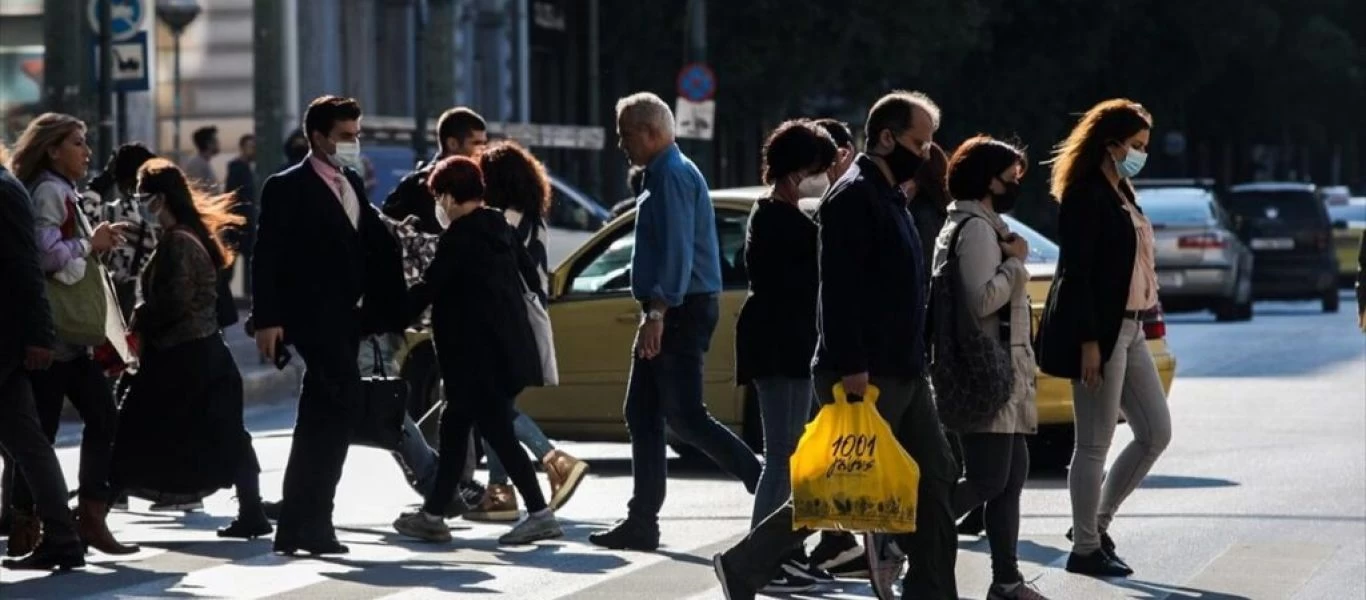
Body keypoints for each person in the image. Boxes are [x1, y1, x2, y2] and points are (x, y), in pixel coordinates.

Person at [712, 91, 959, 600]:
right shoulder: (853, 197)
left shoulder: (891, 197)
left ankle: (933, 588)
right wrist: (852, 365)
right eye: (919, 141)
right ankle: (745, 564)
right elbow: (838, 289)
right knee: (838, 489)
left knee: (936, 475)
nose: (926, 150)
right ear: (887, 137)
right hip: (865, 371)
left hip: (904, 368)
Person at [589, 92, 761, 552]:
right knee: (642, 413)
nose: (622, 144)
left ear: (650, 131)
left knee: (685, 416)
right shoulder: (663, 173)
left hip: (679, 311)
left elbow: (678, 251)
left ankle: (765, 487)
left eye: (626, 134)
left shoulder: (672, 176)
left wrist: (658, 312)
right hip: (671, 309)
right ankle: (642, 521)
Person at [251, 95, 406, 556]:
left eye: (356, 135)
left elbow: (371, 242)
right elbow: (268, 255)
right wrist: (268, 320)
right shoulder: (286, 187)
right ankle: (313, 522)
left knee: (321, 418)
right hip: (314, 320)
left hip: (350, 318)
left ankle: (301, 525)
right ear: (317, 137)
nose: (353, 144)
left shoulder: (351, 182)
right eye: (345, 136)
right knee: (336, 411)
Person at [391, 156, 562, 546]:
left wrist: (382, 317)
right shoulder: (498, 227)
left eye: (439, 196)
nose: (439, 205)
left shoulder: (461, 237)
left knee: (497, 433)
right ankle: (433, 515)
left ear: (449, 197)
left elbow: (428, 289)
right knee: (454, 430)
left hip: (477, 359)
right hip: (501, 354)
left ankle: (539, 513)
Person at [1034, 99, 1171, 578]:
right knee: (1094, 443)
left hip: (1131, 328)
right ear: (1108, 144)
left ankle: (1094, 525)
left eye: (1144, 147)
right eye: (1134, 145)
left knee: (1155, 432)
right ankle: (1086, 549)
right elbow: (1079, 274)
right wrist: (1090, 343)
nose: (1139, 154)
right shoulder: (1085, 194)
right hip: (1102, 333)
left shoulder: (1122, 190)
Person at [109, 158, 271, 540]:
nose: (139, 205)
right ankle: (252, 510)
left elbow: (175, 301)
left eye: (143, 197)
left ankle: (96, 507)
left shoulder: (179, 241)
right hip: (201, 352)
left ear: (160, 198)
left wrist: (141, 315)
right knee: (225, 433)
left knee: (134, 426)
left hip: (183, 355)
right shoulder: (184, 235)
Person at [7, 112, 139, 558]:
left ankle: (86, 517)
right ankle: (35, 526)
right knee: (36, 435)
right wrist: (91, 244)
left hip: (70, 337)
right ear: (52, 149)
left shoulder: (63, 191)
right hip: (55, 335)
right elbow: (44, 256)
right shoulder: (47, 191)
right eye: (78, 143)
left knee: (91, 421)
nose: (87, 153)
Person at [932, 136, 1049, 600]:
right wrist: (1017, 266)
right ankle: (908, 537)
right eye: (1011, 178)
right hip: (985, 370)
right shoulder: (976, 230)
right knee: (988, 478)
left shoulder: (984, 224)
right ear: (988, 180)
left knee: (1010, 478)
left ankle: (1006, 580)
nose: (1015, 185)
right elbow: (980, 299)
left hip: (1003, 368)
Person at [733, 120, 837, 594]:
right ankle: (761, 557)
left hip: (777, 341)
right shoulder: (780, 218)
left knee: (788, 453)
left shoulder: (773, 213)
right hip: (781, 345)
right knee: (783, 455)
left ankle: (779, 554)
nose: (822, 176)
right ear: (798, 170)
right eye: (818, 168)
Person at [463, 140, 590, 522]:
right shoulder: (533, 219)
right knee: (496, 408)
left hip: (500, 324)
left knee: (493, 409)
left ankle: (554, 458)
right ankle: (499, 493)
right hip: (519, 325)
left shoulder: (500, 221)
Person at [0, 143, 87, 571]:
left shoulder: (5, 190)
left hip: (4, 339)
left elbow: (25, 268)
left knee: (28, 443)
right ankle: (62, 535)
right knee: (28, 443)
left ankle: (61, 533)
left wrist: (39, 335)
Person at [803, 117, 870, 579]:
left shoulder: (848, 199)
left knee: (830, 457)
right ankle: (840, 541)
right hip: (827, 350)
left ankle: (843, 541)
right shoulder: (826, 201)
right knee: (825, 455)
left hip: (836, 351)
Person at [384, 107, 490, 234]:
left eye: (485, 143)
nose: (483, 150)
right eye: (476, 143)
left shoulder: (480, 180)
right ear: (452, 144)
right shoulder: (422, 187)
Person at [225, 133, 258, 297]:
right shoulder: (237, 167)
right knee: (233, 260)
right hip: (238, 222)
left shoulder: (245, 168)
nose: (254, 151)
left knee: (245, 260)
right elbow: (234, 195)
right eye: (251, 147)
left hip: (243, 221)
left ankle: (246, 294)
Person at [184, 125, 221, 193]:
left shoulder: (204, 163)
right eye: (215, 141)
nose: (218, 143)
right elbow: (196, 192)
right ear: (208, 143)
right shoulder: (196, 164)